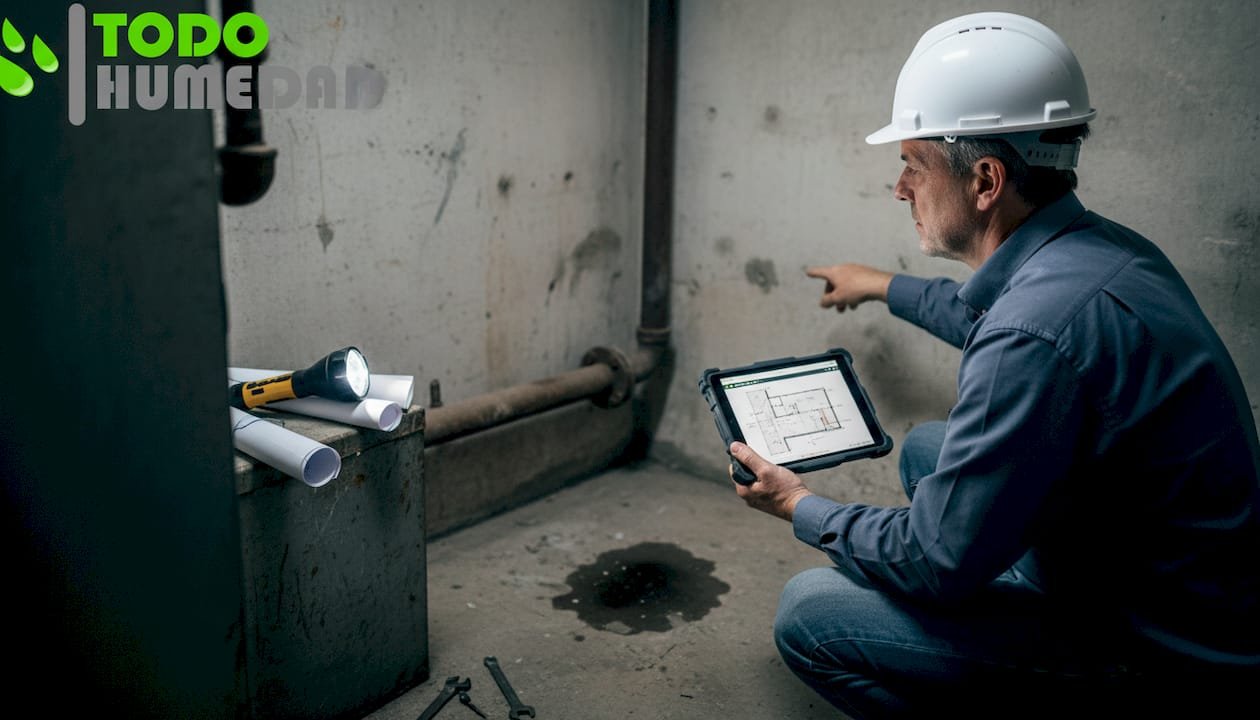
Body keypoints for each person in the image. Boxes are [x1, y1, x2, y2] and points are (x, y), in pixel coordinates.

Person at [726, 11, 1260, 719]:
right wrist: (882, 284)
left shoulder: (1034, 332)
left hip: (1155, 652)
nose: (900, 189)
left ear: (985, 179)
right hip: (1187, 586)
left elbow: (934, 561)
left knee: (811, 612)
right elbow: (989, 313)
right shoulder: (1102, 252)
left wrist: (799, 505)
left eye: (912, 165)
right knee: (928, 449)